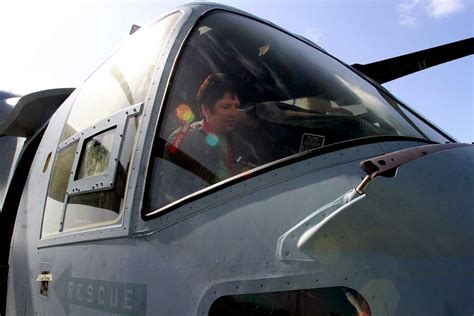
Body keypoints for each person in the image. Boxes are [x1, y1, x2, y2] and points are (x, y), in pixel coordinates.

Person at [162, 73, 257, 203]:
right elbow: (170, 195)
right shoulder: (182, 141)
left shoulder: (239, 138)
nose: (233, 113)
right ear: (206, 109)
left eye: (236, 106)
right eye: (226, 107)